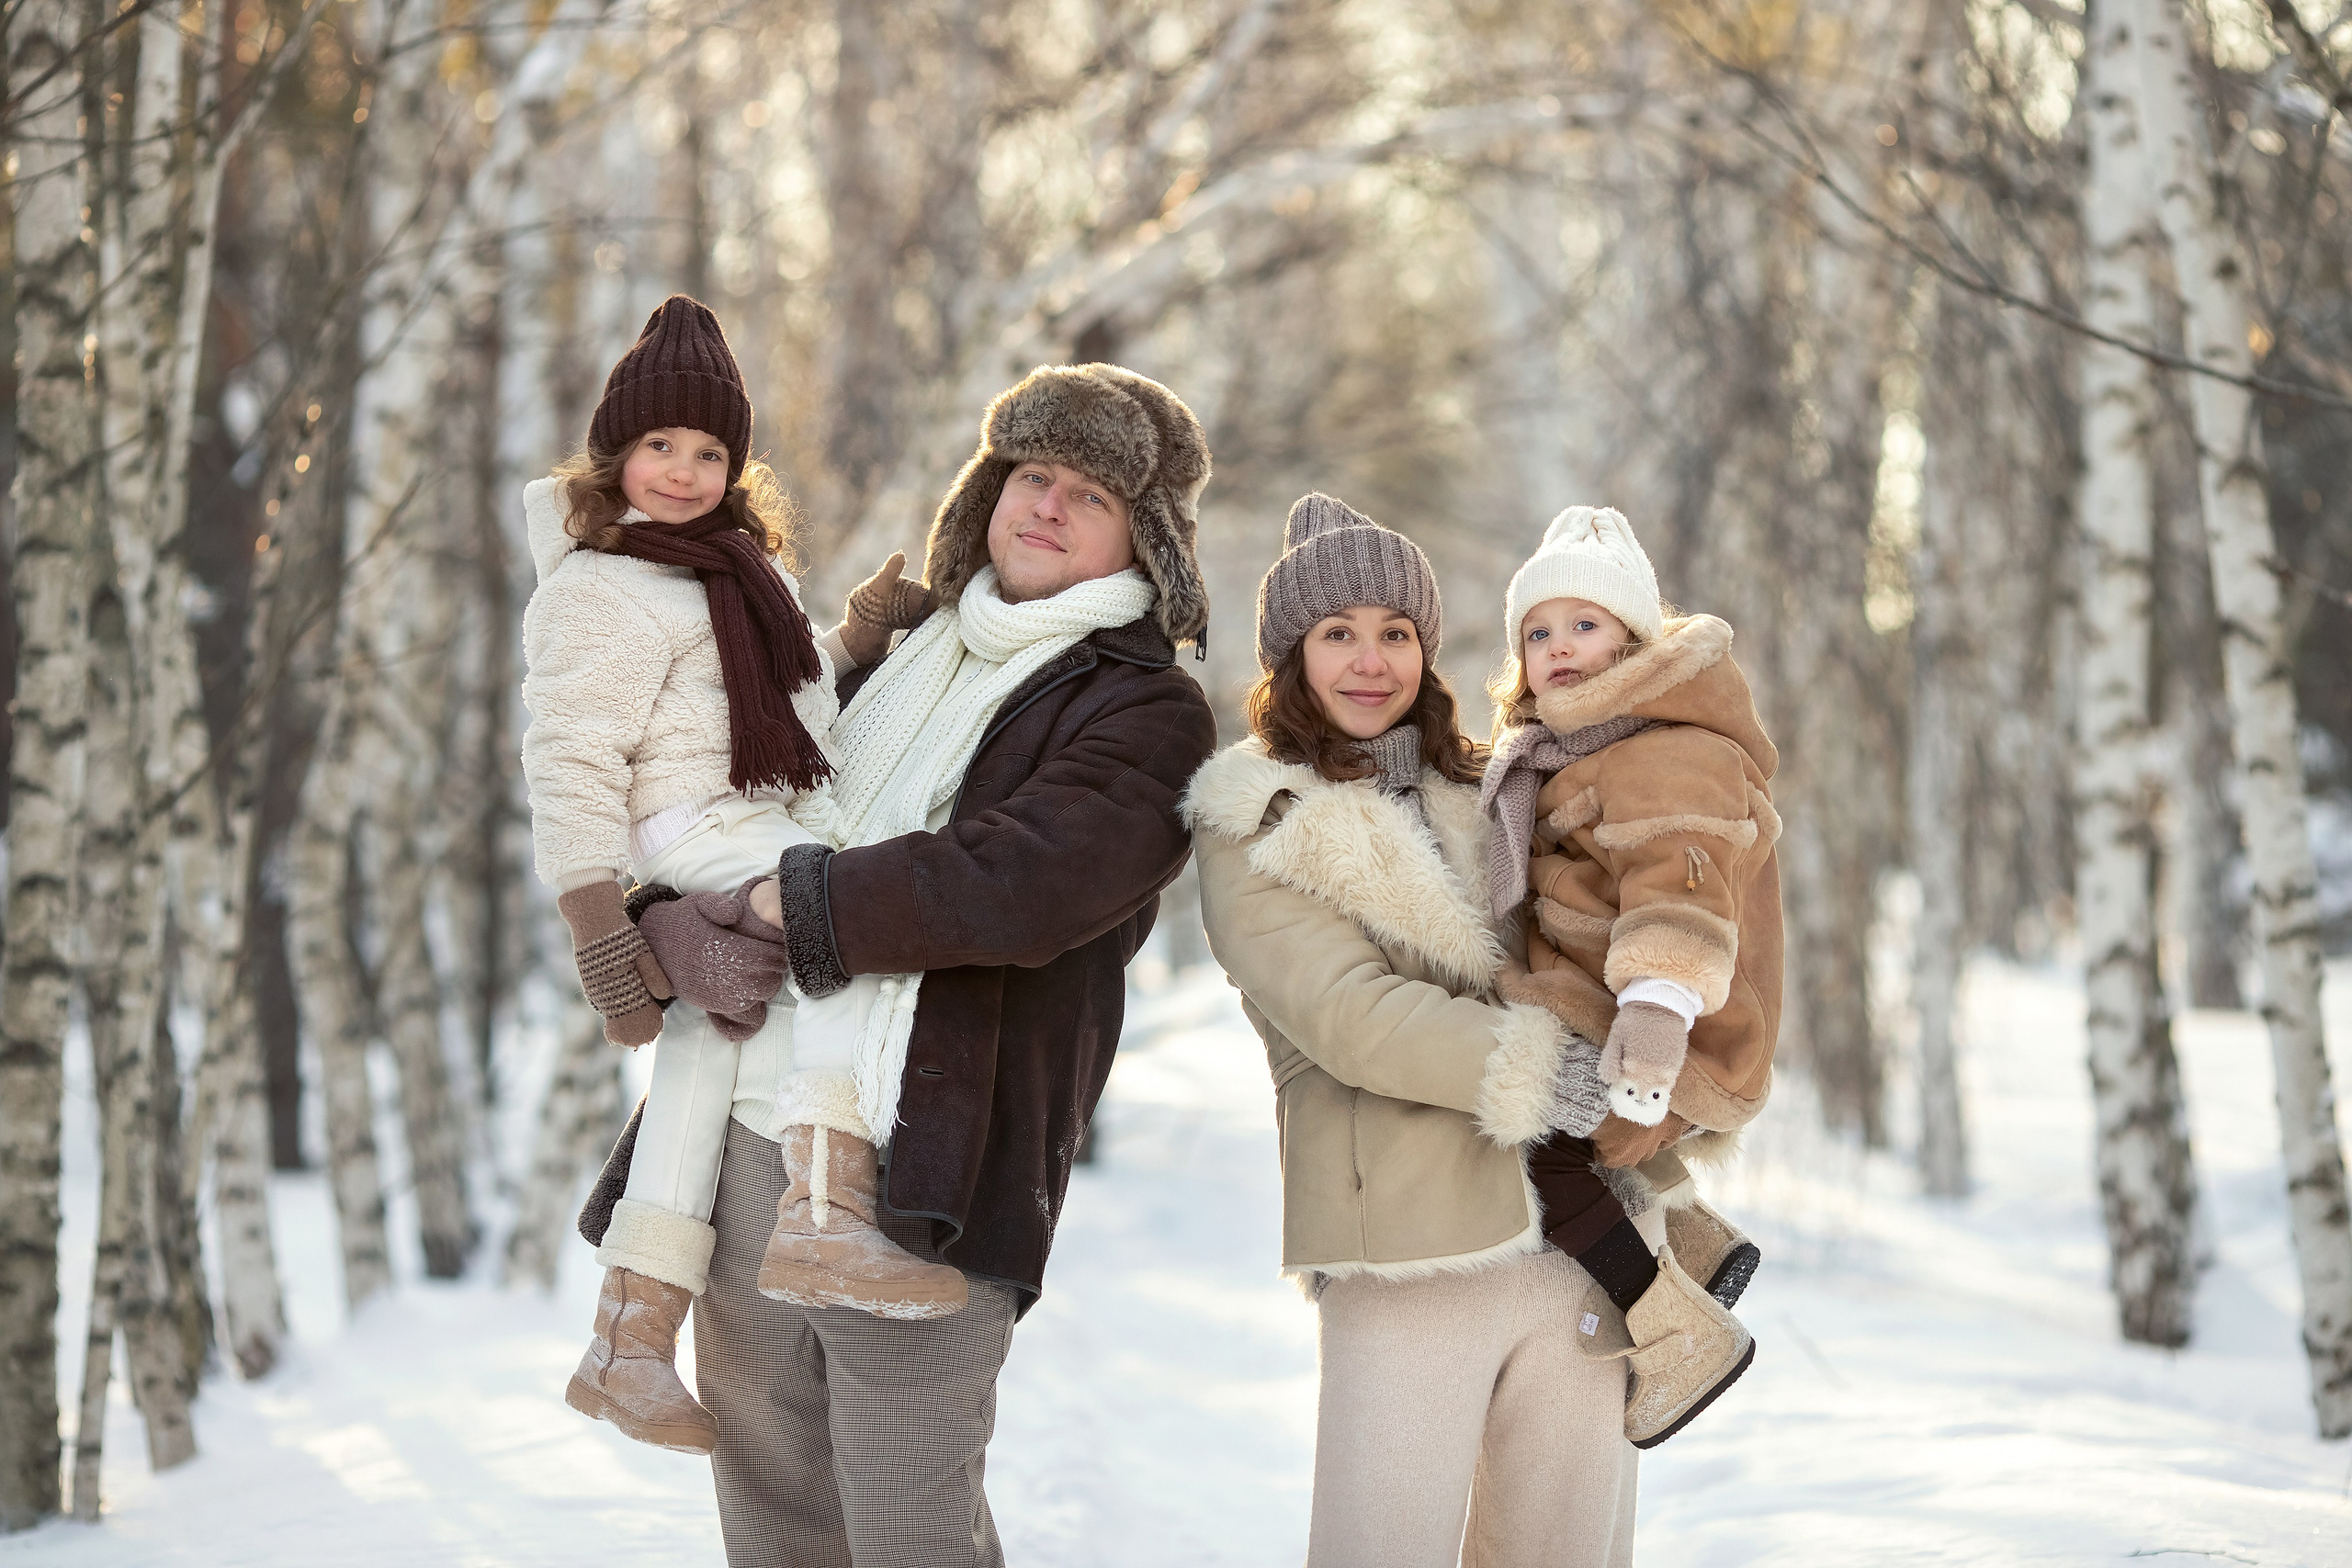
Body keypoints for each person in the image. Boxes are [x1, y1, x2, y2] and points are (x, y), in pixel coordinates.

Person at [597, 362, 1218, 1566]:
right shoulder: (894, 655)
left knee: (908, 1524)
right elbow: (729, 798)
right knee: (772, 1505)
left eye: (1087, 493)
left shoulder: (1147, 711)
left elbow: (1020, 880)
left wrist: (799, 898)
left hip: (926, 1155)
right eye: (1032, 473)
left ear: (1138, 535)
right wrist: (666, 915)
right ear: (989, 486)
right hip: (740, 1136)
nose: (1047, 503)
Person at [521, 298, 968, 1461]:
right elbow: (569, 757)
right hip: (693, 827)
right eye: (659, 446)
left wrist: (858, 644)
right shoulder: (597, 587)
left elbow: (790, 698)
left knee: (710, 1049)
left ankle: (630, 1336)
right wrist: (599, 929)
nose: (682, 471)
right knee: (852, 934)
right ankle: (824, 1214)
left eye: (708, 451)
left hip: (761, 815)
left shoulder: (740, 573)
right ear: (612, 453)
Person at [1184, 492, 1635, 1567]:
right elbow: (1352, 1018)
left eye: (1395, 633)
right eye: (1336, 634)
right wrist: (1549, 1072)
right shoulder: (1255, 819)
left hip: (1577, 1245)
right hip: (1404, 1253)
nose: (1369, 661)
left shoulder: (1494, 787)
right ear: (1291, 657)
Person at [1483, 503, 1783, 1447]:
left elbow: (1678, 893)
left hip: (1672, 1026)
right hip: (1607, 1006)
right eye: (1538, 631)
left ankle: (1673, 1332)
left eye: (1584, 625)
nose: (1558, 647)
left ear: (1633, 641)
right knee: (1560, 1108)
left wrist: (1655, 1017)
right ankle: (1695, 1234)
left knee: (1538, 1145)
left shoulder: (1667, 750)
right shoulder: (1578, 745)